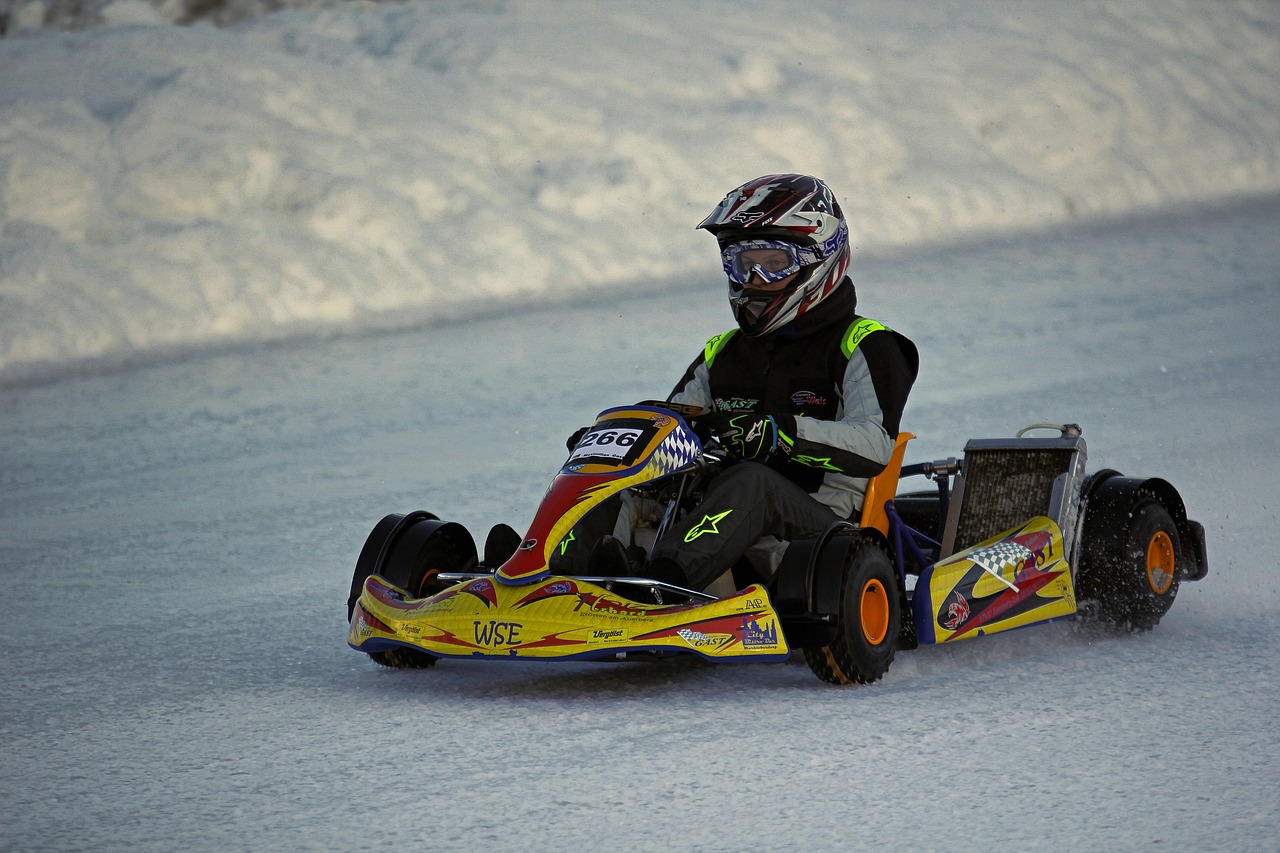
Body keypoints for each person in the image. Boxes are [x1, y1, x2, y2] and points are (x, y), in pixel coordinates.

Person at [560, 174, 918, 592]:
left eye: (774, 265)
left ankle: (662, 588)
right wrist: (621, 444)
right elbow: (673, 426)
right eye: (744, 265)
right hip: (723, 523)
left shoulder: (866, 344)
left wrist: (778, 434)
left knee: (754, 481)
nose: (755, 281)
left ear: (820, 260)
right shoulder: (725, 352)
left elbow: (874, 445)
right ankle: (554, 574)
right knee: (623, 479)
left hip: (819, 533)